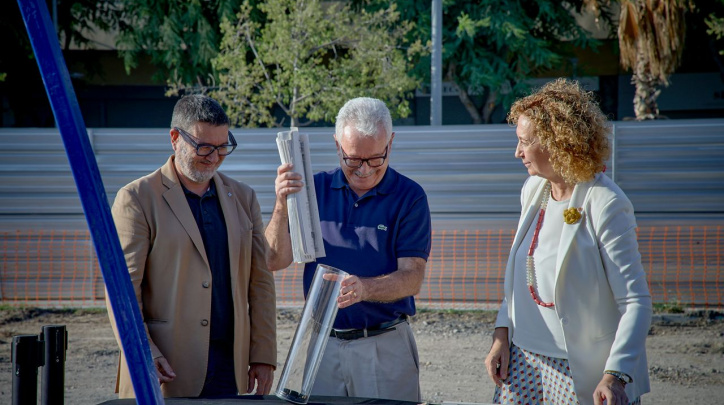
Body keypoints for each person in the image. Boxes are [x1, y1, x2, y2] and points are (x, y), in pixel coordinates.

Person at [484, 78, 652, 405]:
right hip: (523, 365)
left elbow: (636, 301)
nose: (516, 152)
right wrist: (501, 335)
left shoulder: (606, 203)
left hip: (585, 375)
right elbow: (523, 277)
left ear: (557, 142)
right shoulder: (534, 190)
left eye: (524, 142)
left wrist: (614, 375)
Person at [106, 95, 277, 398]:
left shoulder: (244, 197)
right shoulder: (137, 198)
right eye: (204, 147)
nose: (214, 157)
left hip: (229, 369)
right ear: (175, 138)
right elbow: (122, 292)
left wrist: (263, 355)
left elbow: (260, 283)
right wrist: (144, 351)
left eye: (223, 147)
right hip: (163, 371)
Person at [265, 97, 432, 401]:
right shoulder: (312, 190)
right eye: (353, 159)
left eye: (376, 159)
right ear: (337, 145)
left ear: (390, 143)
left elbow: (412, 277)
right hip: (320, 343)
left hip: (384, 345)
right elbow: (274, 260)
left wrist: (364, 289)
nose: (365, 170)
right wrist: (280, 205)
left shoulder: (410, 197)